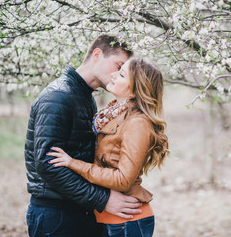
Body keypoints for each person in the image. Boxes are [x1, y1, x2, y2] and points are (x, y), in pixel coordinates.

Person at [24, 34, 143, 237]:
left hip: (82, 210)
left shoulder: (86, 97)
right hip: (57, 215)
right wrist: (103, 199)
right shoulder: (58, 96)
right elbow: (46, 163)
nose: (118, 74)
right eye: (118, 66)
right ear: (97, 54)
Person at [47, 57, 169, 237]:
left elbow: (122, 180)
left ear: (135, 90)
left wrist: (73, 163)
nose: (112, 74)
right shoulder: (112, 114)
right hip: (109, 219)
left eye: (121, 74)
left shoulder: (138, 123)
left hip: (127, 222)